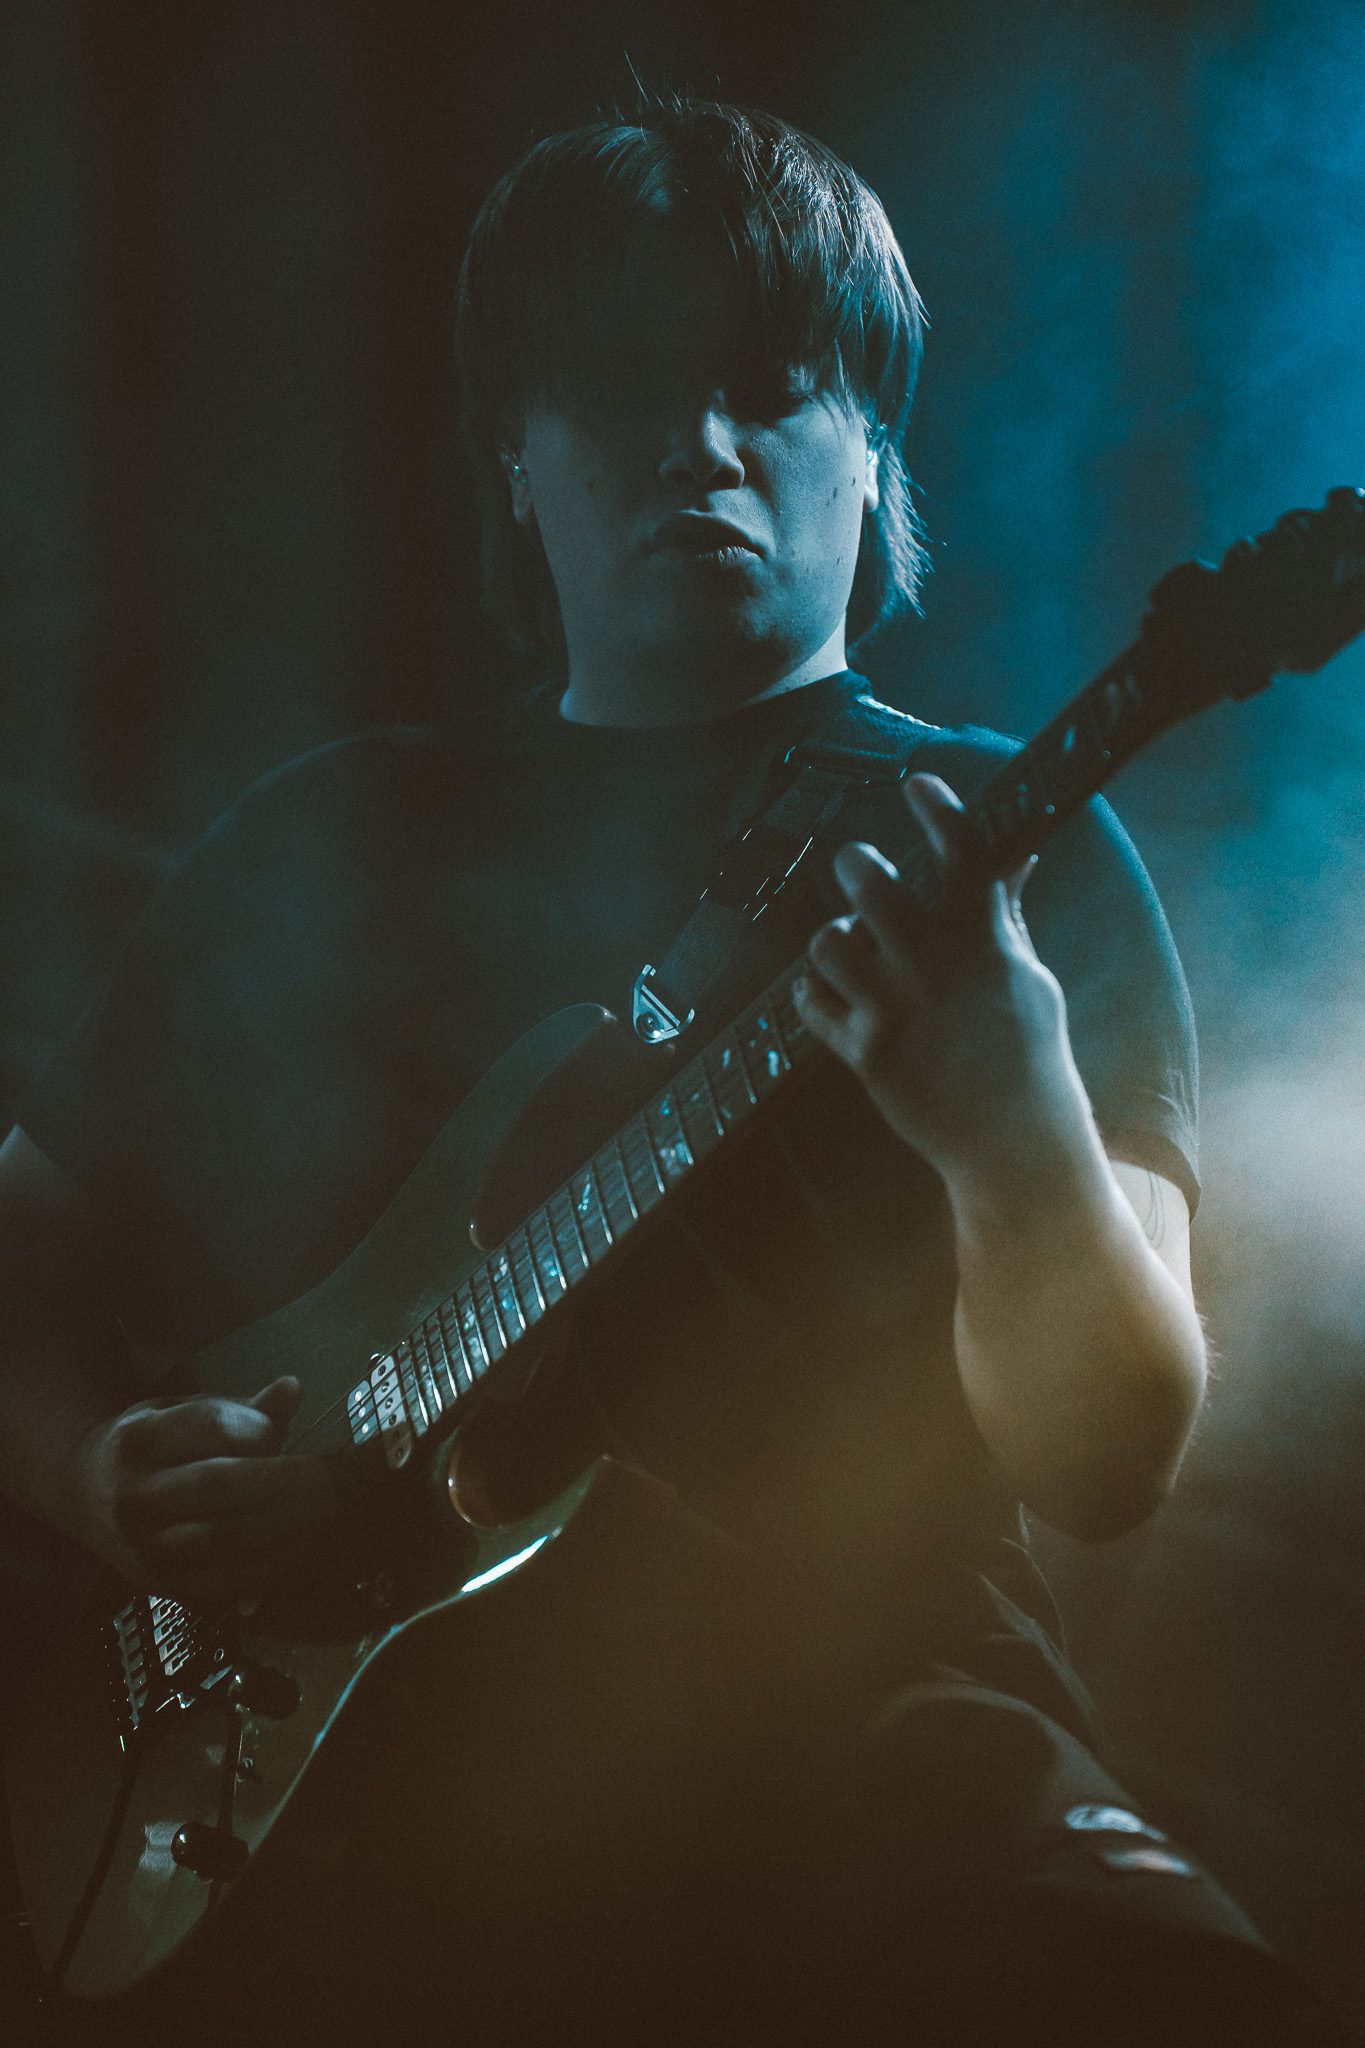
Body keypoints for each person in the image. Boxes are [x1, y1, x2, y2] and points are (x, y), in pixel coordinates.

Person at [0, 97, 1339, 2044]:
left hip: (853, 1741)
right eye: (622, 390)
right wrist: (94, 1472)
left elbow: (1107, 1452)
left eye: (772, 388)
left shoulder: (988, 836)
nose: (697, 445)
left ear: (874, 447)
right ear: (511, 462)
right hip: (355, 1806)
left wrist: (1007, 1112)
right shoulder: (332, 832)